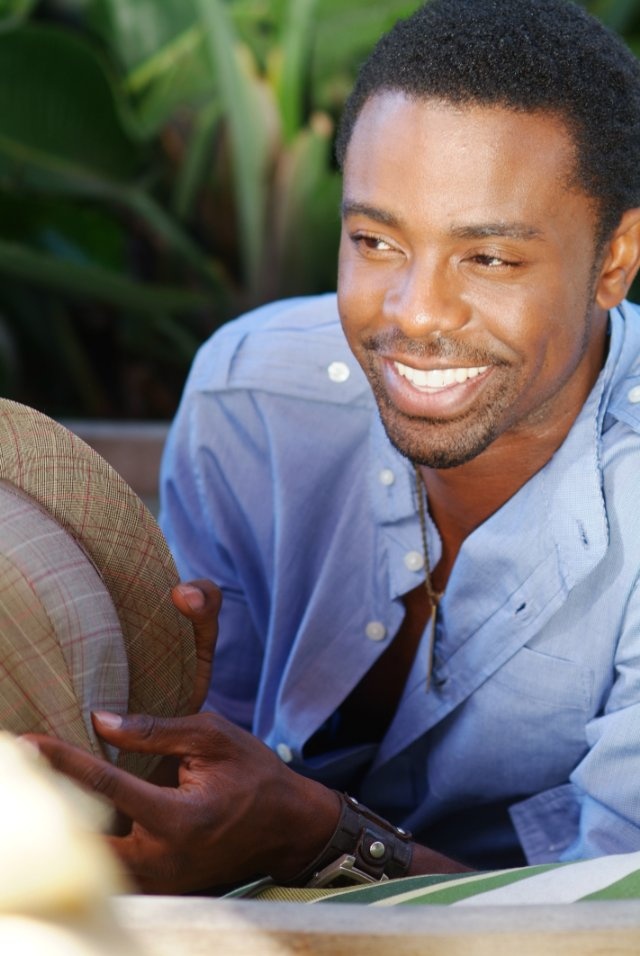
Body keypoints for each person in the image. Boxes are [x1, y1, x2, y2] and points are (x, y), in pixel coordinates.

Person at [31, 0, 640, 894]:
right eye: (376, 241)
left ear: (616, 259)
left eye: (491, 259)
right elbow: (191, 766)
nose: (414, 314)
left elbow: (615, 912)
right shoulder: (255, 396)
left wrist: (318, 839)